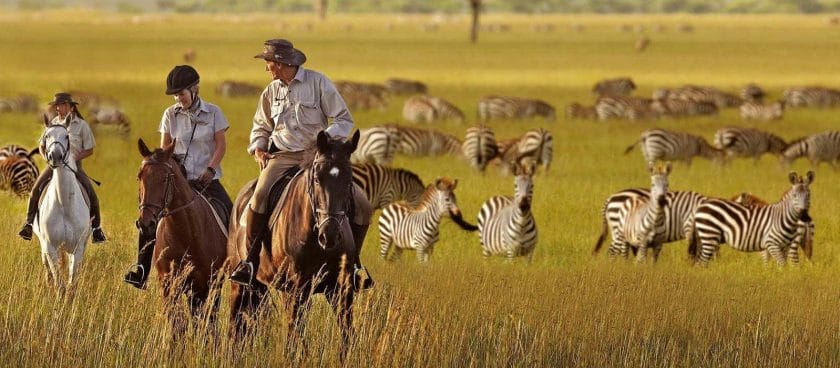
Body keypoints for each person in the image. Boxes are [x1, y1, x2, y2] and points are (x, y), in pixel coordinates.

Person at [228, 39, 373, 288]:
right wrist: (259, 147)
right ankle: (250, 262)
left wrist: (325, 140)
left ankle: (354, 265)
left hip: (317, 156)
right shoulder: (270, 91)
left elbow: (343, 119)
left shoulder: (319, 83)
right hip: (282, 157)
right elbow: (261, 126)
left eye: (268, 62)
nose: (266, 68)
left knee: (362, 205)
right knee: (260, 196)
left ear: (282, 63)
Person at [123, 65, 233, 289]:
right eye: (175, 94)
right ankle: (141, 269)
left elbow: (221, 146)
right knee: (149, 218)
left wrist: (210, 169)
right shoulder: (169, 115)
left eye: (181, 93)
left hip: (206, 181)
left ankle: (239, 265)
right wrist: (173, 171)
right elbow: (165, 149)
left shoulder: (213, 113)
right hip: (177, 181)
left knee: (231, 215)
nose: (178, 98)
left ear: (195, 89)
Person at [19, 93, 107, 243]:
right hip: (54, 164)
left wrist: (73, 158)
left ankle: (96, 230)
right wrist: (46, 156)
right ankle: (28, 224)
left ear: (68, 106)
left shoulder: (82, 125)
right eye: (56, 106)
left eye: (59, 105)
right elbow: (41, 145)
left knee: (92, 194)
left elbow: (90, 149)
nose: (56, 108)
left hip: (75, 166)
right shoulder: (53, 122)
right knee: (35, 189)